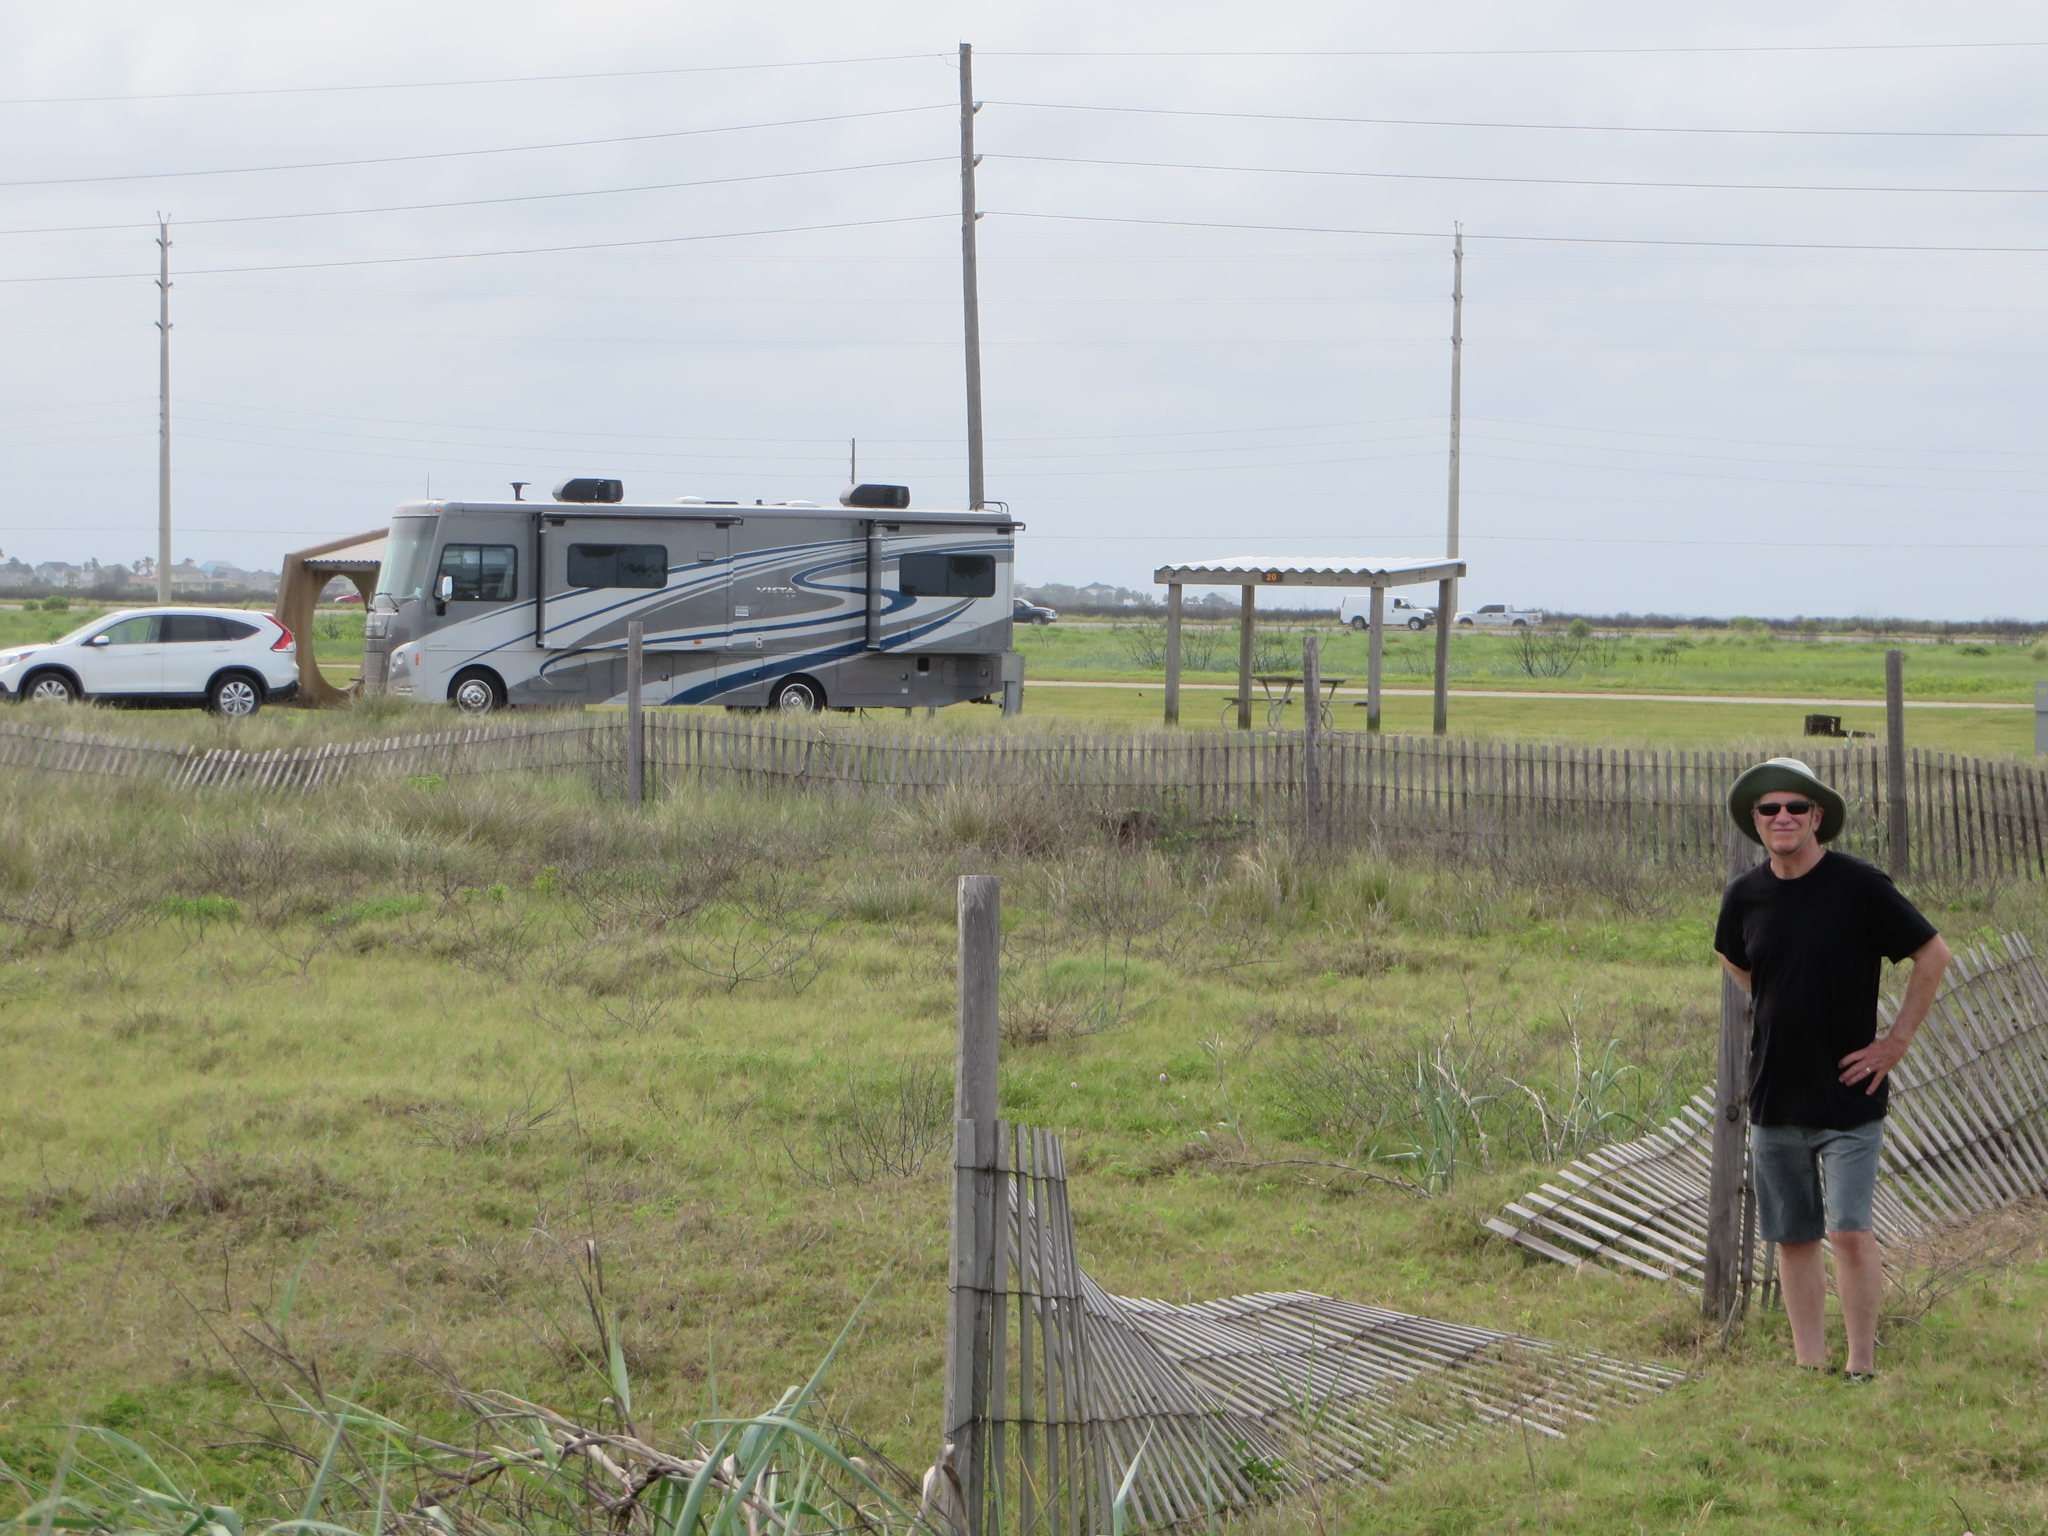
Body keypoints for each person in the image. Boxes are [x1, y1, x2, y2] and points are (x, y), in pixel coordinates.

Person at [1714, 756, 1950, 1382]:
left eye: (1796, 807)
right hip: (1775, 1096)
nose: (1783, 817)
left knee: (1848, 1233)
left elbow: (1933, 954)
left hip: (1851, 1094)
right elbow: (1737, 964)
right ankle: (1809, 1366)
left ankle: (1861, 1365)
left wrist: (1894, 1044)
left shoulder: (1859, 886)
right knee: (1792, 1237)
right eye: (1770, 809)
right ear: (1757, 822)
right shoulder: (1744, 895)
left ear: (1818, 817)